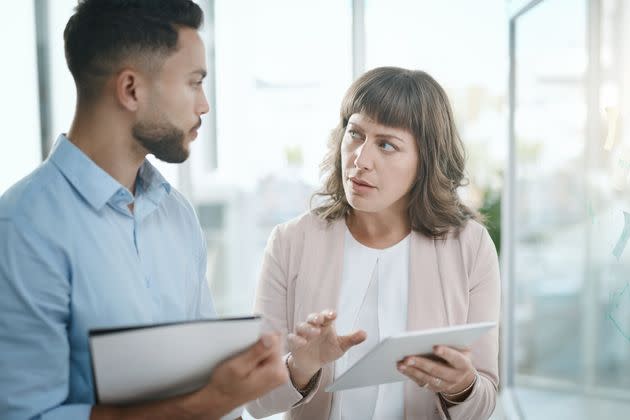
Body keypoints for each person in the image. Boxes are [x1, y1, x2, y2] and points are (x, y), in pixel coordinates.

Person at [0, 1, 288, 419]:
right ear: (131, 89)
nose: (204, 105)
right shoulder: (22, 229)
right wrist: (206, 404)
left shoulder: (176, 214)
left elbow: (204, 373)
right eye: (194, 83)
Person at [246, 67, 501, 420]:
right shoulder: (290, 242)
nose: (360, 160)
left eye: (386, 145)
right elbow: (255, 401)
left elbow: (484, 403)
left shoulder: (470, 246)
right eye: (355, 134)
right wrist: (301, 366)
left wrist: (462, 385)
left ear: (425, 160)